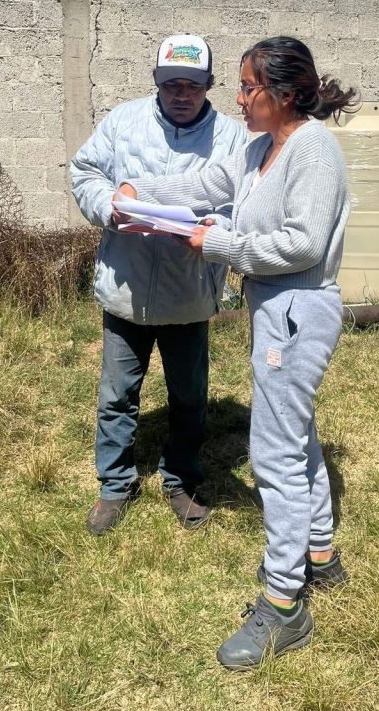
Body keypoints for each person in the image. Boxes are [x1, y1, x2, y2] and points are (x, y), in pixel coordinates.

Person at [113, 36, 358, 670]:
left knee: (273, 454)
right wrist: (138, 191)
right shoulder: (258, 149)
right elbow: (206, 182)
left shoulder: (313, 150)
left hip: (298, 309)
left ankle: (283, 603)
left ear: (284, 93)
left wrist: (219, 243)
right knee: (296, 433)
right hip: (274, 308)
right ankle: (320, 554)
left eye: (249, 87)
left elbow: (302, 245)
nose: (239, 99)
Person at [70, 34, 247, 533]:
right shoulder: (123, 122)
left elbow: (242, 204)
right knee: (117, 395)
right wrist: (108, 207)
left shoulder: (232, 139)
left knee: (188, 396)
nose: (181, 95)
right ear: (156, 82)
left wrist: (211, 230)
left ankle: (180, 480)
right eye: (171, 85)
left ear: (210, 85)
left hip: (188, 293)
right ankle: (115, 486)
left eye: (192, 85)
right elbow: (85, 171)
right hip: (125, 289)